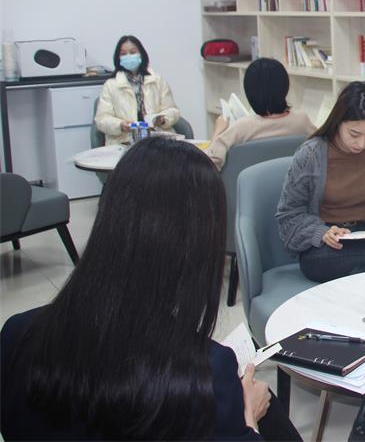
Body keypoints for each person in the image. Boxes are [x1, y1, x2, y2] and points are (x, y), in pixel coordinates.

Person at [0, 138, 301, 441]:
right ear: (199, 246)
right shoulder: (205, 374)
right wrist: (248, 420)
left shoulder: (16, 335)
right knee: (266, 405)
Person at [276, 81, 365, 442]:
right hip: (327, 248)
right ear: (338, 121)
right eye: (354, 134)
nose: (362, 144)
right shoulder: (311, 154)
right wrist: (321, 232)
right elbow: (288, 216)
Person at [206, 58, 316, 170]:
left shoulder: (241, 128)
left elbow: (208, 165)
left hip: (244, 182)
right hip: (292, 180)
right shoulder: (302, 121)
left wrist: (218, 131)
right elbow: (321, 146)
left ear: (249, 92)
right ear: (285, 86)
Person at [94, 35, 180, 145]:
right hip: (124, 140)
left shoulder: (157, 80)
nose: (128, 56)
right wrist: (121, 125)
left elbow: (172, 110)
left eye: (133, 52)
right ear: (118, 58)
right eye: (123, 54)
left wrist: (163, 119)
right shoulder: (111, 85)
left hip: (156, 139)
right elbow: (102, 119)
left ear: (141, 54)